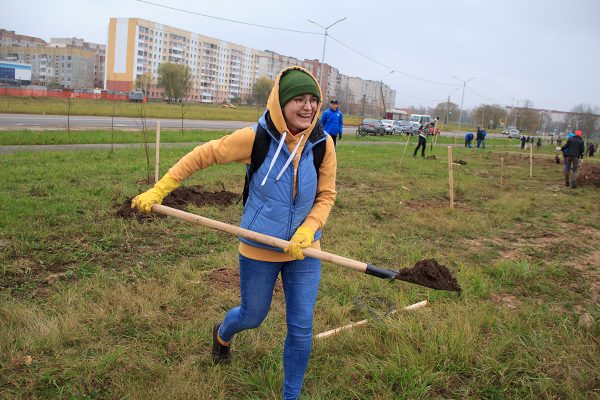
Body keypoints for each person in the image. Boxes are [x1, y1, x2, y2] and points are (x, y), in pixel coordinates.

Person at [131, 66, 337, 400]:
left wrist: (309, 229)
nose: (308, 107)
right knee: (252, 316)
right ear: (281, 103)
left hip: (304, 251)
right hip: (259, 246)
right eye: (298, 99)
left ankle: (291, 395)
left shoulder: (322, 145)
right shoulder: (255, 138)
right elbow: (204, 154)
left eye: (313, 100)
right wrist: (160, 189)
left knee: (301, 329)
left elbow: (326, 196)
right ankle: (222, 334)